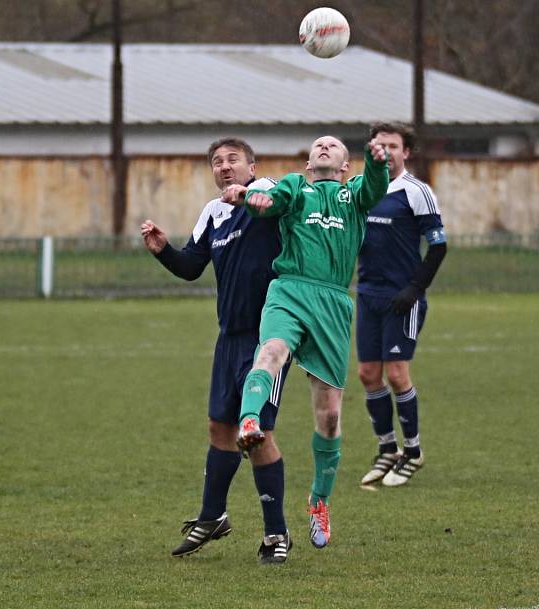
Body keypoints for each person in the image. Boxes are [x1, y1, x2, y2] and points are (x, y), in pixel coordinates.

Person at [221, 135, 389, 550]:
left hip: (332, 302)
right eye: (319, 145)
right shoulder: (298, 187)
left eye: (334, 146)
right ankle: (249, 422)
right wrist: (251, 197)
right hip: (290, 290)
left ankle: (319, 500)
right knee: (271, 353)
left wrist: (377, 159)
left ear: (346, 166)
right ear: (311, 162)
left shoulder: (354, 197)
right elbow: (270, 197)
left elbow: (375, 187)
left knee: (330, 414)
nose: (325, 147)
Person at [141, 137, 292, 564]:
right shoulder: (213, 212)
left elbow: (282, 205)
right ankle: (213, 517)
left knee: (255, 432)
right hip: (229, 337)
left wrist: (252, 196)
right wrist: (163, 251)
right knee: (219, 428)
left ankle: (277, 533)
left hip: (270, 337)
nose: (224, 167)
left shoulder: (269, 196)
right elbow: (191, 267)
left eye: (233, 160)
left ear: (252, 165)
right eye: (217, 162)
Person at [355, 122, 447, 487]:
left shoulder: (417, 192)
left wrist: (413, 289)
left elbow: (438, 246)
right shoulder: (361, 190)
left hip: (402, 298)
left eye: (393, 145)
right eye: (380, 146)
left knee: (396, 374)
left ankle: (413, 451)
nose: (386, 151)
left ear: (406, 152)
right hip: (368, 296)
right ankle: (387, 449)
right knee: (367, 375)